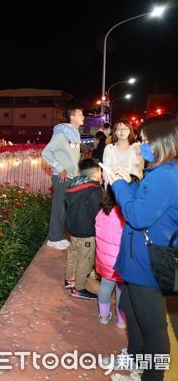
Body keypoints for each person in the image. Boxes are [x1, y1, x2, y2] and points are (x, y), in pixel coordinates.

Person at [106, 113, 178, 381]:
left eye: (147, 141)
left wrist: (119, 185)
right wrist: (129, 181)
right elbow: (144, 201)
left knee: (153, 327)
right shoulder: (158, 171)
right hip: (138, 255)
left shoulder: (166, 176)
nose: (142, 146)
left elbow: (137, 216)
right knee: (129, 305)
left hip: (149, 259)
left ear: (164, 141)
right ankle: (136, 359)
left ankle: (150, 376)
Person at [42, 107, 84, 250]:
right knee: (59, 208)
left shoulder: (73, 134)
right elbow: (46, 152)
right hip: (62, 177)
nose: (83, 116)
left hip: (72, 177)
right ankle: (54, 238)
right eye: (80, 114)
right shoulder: (62, 134)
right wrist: (59, 168)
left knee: (65, 208)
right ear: (72, 117)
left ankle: (60, 236)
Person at [64, 157, 103, 300]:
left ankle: (69, 279)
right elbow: (97, 214)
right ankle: (79, 288)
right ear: (96, 174)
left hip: (73, 230)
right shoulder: (95, 191)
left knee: (73, 255)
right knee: (85, 261)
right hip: (87, 232)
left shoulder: (73, 186)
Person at [95, 186, 126, 328]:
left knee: (105, 286)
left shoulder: (102, 211)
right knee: (121, 289)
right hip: (120, 259)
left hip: (104, 258)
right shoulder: (125, 214)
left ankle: (103, 316)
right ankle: (121, 320)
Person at [102, 120, 144, 185]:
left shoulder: (137, 147)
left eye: (125, 128)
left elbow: (139, 169)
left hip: (133, 185)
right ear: (115, 132)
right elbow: (106, 171)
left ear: (130, 131)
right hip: (114, 185)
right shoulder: (109, 148)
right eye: (119, 129)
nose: (122, 131)